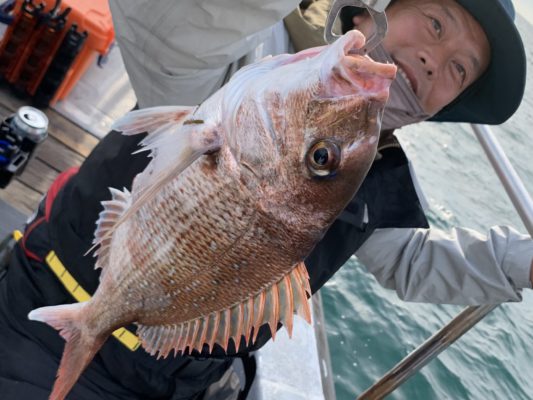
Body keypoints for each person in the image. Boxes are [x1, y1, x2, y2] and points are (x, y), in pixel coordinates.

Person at [0, 0, 531, 399]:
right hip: (45, 306)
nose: (436, 61)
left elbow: (409, 260)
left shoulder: (379, 172)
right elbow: (172, 34)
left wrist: (522, 262)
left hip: (181, 382)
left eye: (459, 70)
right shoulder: (251, 56)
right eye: (436, 24)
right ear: (373, 9)